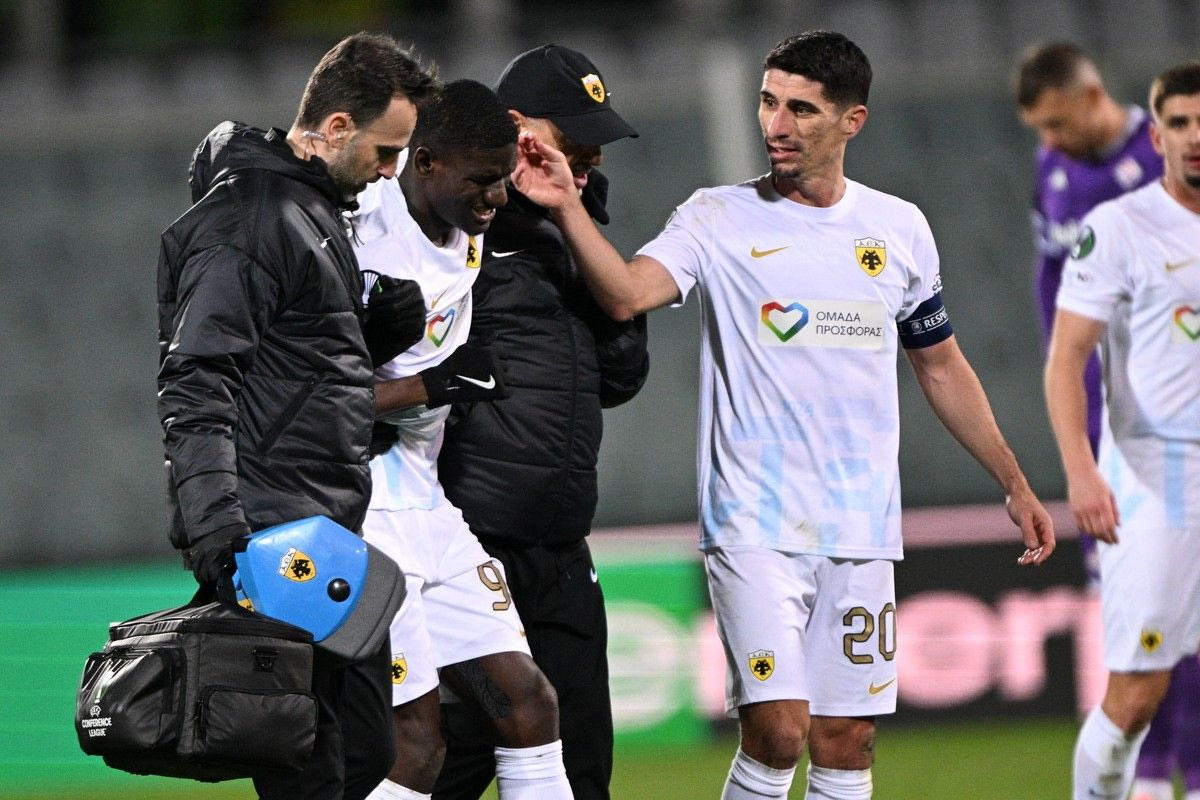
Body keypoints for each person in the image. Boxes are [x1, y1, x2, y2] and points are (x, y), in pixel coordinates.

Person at [515, 29, 1056, 800]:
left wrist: (1014, 481)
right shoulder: (716, 216)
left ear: (852, 121)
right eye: (768, 102)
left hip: (861, 526)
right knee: (777, 731)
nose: (776, 125)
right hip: (754, 523)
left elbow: (939, 364)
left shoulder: (899, 230)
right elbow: (628, 293)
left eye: (801, 109)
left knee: (848, 741)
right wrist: (569, 206)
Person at [157, 32, 436, 800]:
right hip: (272, 540)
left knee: (367, 751)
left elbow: (292, 368)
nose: (392, 170)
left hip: (326, 531)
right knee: (313, 772)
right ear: (337, 127)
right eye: (386, 151)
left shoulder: (308, 211)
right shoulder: (252, 217)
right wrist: (221, 535)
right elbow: (196, 379)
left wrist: (370, 335)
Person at [432, 44, 648, 800]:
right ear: (517, 127)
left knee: (581, 768)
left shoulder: (576, 229)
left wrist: (572, 219)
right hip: (470, 543)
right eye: (576, 139)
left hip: (560, 546)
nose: (591, 158)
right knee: (452, 759)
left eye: (597, 143)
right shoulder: (447, 228)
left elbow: (623, 377)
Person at [352, 79, 574, 800]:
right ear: (425, 163)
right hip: (360, 515)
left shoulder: (466, 230)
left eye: (502, 179)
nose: (497, 197)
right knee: (416, 744)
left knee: (529, 705)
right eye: (482, 180)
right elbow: (308, 403)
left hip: (428, 502)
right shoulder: (358, 235)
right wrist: (435, 384)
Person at [1014, 43, 1200, 800]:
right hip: (1151, 468)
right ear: (1158, 134)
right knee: (1139, 678)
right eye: (1179, 123)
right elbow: (1063, 348)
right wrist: (1083, 466)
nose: (1049, 141)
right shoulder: (1115, 221)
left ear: (1093, 97)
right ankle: (1145, 778)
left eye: (1057, 123)